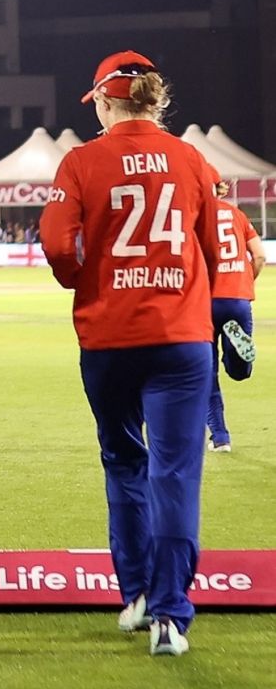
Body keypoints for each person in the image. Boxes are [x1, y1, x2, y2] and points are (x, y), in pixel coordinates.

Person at [40, 51, 221, 657]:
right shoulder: (191, 159)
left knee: (123, 461)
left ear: (105, 101)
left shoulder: (83, 161)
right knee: (175, 472)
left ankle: (138, 594)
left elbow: (57, 244)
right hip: (180, 335)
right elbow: (215, 249)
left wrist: (82, 282)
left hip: (110, 335)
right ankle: (172, 613)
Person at [206, 179, 262, 452]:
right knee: (238, 373)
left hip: (204, 302)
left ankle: (220, 437)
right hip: (238, 297)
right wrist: (245, 281)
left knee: (208, 373)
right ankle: (239, 356)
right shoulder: (237, 215)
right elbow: (259, 255)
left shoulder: (194, 216)